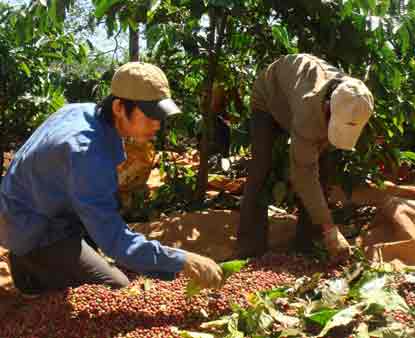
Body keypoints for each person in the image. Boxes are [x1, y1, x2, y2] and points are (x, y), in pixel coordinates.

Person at [0, 62, 223, 297]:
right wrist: (183, 261)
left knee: (107, 249)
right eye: (149, 115)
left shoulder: (82, 111)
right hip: (32, 230)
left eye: (160, 115)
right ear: (118, 107)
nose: (157, 123)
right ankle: (30, 271)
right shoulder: (88, 153)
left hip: (21, 209)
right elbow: (115, 240)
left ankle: (36, 262)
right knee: (117, 290)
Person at [238, 54, 374, 262]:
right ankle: (250, 248)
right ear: (328, 107)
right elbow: (303, 172)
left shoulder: (356, 100)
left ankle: (307, 245)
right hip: (269, 97)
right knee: (261, 167)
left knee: (324, 170)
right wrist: (330, 227)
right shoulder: (308, 106)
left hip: (298, 98)